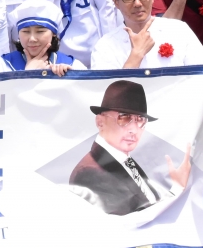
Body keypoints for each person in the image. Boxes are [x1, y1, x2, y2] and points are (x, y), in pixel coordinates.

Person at [69, 80, 192, 218]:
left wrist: (176, 186)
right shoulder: (89, 174)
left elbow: (147, 205)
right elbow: (133, 222)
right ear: (100, 122)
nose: (134, 129)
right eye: (124, 118)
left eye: (140, 120)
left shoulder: (124, 160)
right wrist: (177, 189)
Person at [0, 0, 83, 73]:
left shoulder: (74, 66)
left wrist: (70, 77)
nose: (32, 39)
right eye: (26, 31)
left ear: (54, 33)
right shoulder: (1, 66)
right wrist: (27, 74)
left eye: (40, 31)